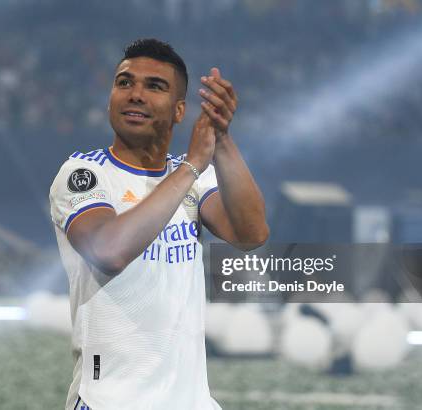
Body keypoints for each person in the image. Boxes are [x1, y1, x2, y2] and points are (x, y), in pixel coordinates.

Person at [49, 38, 268, 410]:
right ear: (110, 99)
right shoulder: (85, 173)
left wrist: (223, 138)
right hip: (110, 402)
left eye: (154, 86)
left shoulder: (193, 176)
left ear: (180, 110)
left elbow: (251, 234)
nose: (135, 94)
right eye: (124, 82)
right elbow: (109, 251)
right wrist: (191, 166)